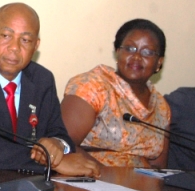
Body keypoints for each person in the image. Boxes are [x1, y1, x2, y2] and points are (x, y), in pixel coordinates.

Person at [0, 3, 100, 177]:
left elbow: (59, 132)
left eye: (25, 40)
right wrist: (53, 163)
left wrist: (56, 145)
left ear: (36, 45)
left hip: (33, 188)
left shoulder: (42, 79)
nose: (14, 47)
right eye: (6, 36)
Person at [61, 19, 170, 168]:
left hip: (142, 188)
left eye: (147, 52)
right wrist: (108, 177)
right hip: (91, 183)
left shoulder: (161, 107)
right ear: (118, 52)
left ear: (159, 62)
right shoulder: (92, 86)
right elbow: (62, 144)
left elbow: (158, 167)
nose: (137, 57)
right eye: (130, 49)